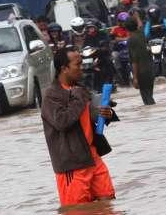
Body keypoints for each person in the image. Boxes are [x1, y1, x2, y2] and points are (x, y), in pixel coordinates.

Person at [41, 47, 116, 207]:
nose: (82, 67)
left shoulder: (80, 89)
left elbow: (90, 116)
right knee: (77, 209)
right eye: (78, 64)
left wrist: (106, 114)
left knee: (108, 202)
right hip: (72, 164)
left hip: (92, 156)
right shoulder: (51, 95)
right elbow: (62, 122)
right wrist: (78, 98)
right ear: (64, 69)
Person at [126, 18, 156, 105]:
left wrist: (135, 77)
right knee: (150, 95)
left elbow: (134, 61)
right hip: (151, 69)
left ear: (127, 29)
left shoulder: (131, 40)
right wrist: (137, 16)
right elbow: (141, 26)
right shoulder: (142, 34)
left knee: (147, 99)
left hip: (141, 72)